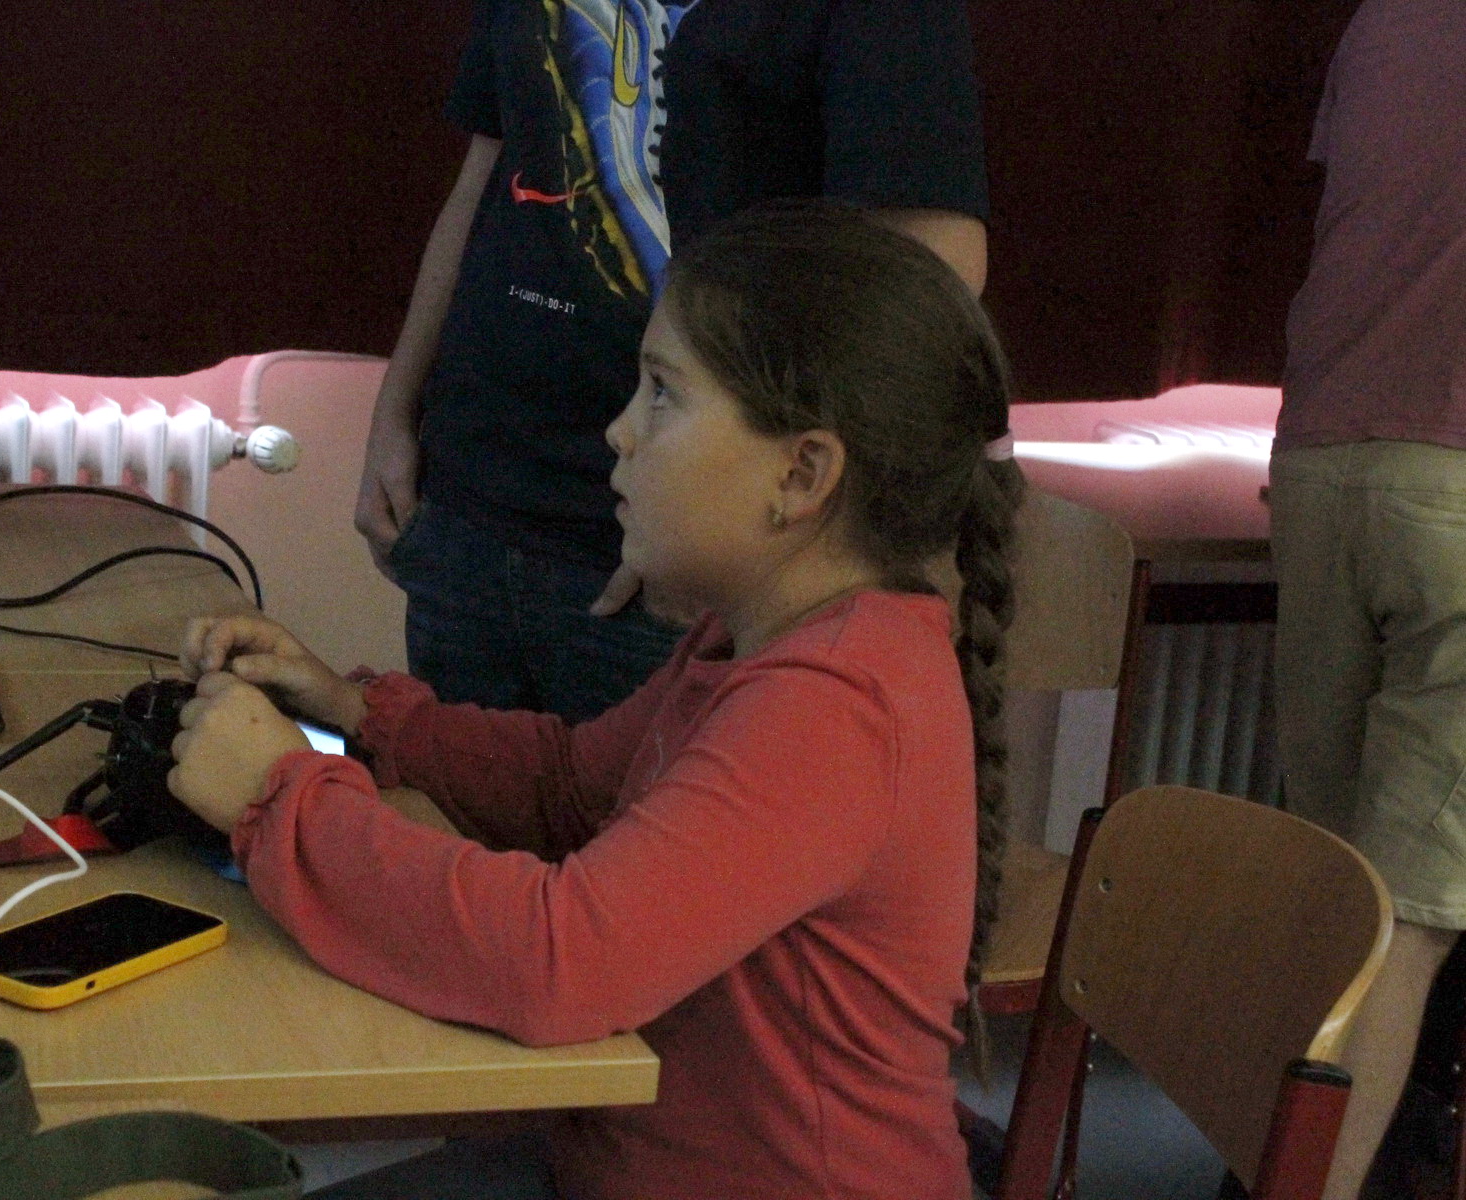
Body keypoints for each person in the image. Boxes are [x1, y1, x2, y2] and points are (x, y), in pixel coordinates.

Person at [172, 202, 1020, 1200]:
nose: (619, 431)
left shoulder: (836, 705)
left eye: (662, 394)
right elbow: (572, 784)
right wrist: (360, 715)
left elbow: (558, 960)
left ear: (801, 475)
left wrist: (277, 797)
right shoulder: (753, 639)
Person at [355, 0, 990, 723]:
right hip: (466, 504)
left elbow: (932, 273)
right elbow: (487, 171)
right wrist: (394, 413)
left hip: (670, 561)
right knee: (441, 782)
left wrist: (722, 527)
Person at [1267, 2, 1466, 1197]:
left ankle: (1267, 1166)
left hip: (1321, 463)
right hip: (1456, 487)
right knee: (1408, 924)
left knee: (1337, 896)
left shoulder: (1385, 15)